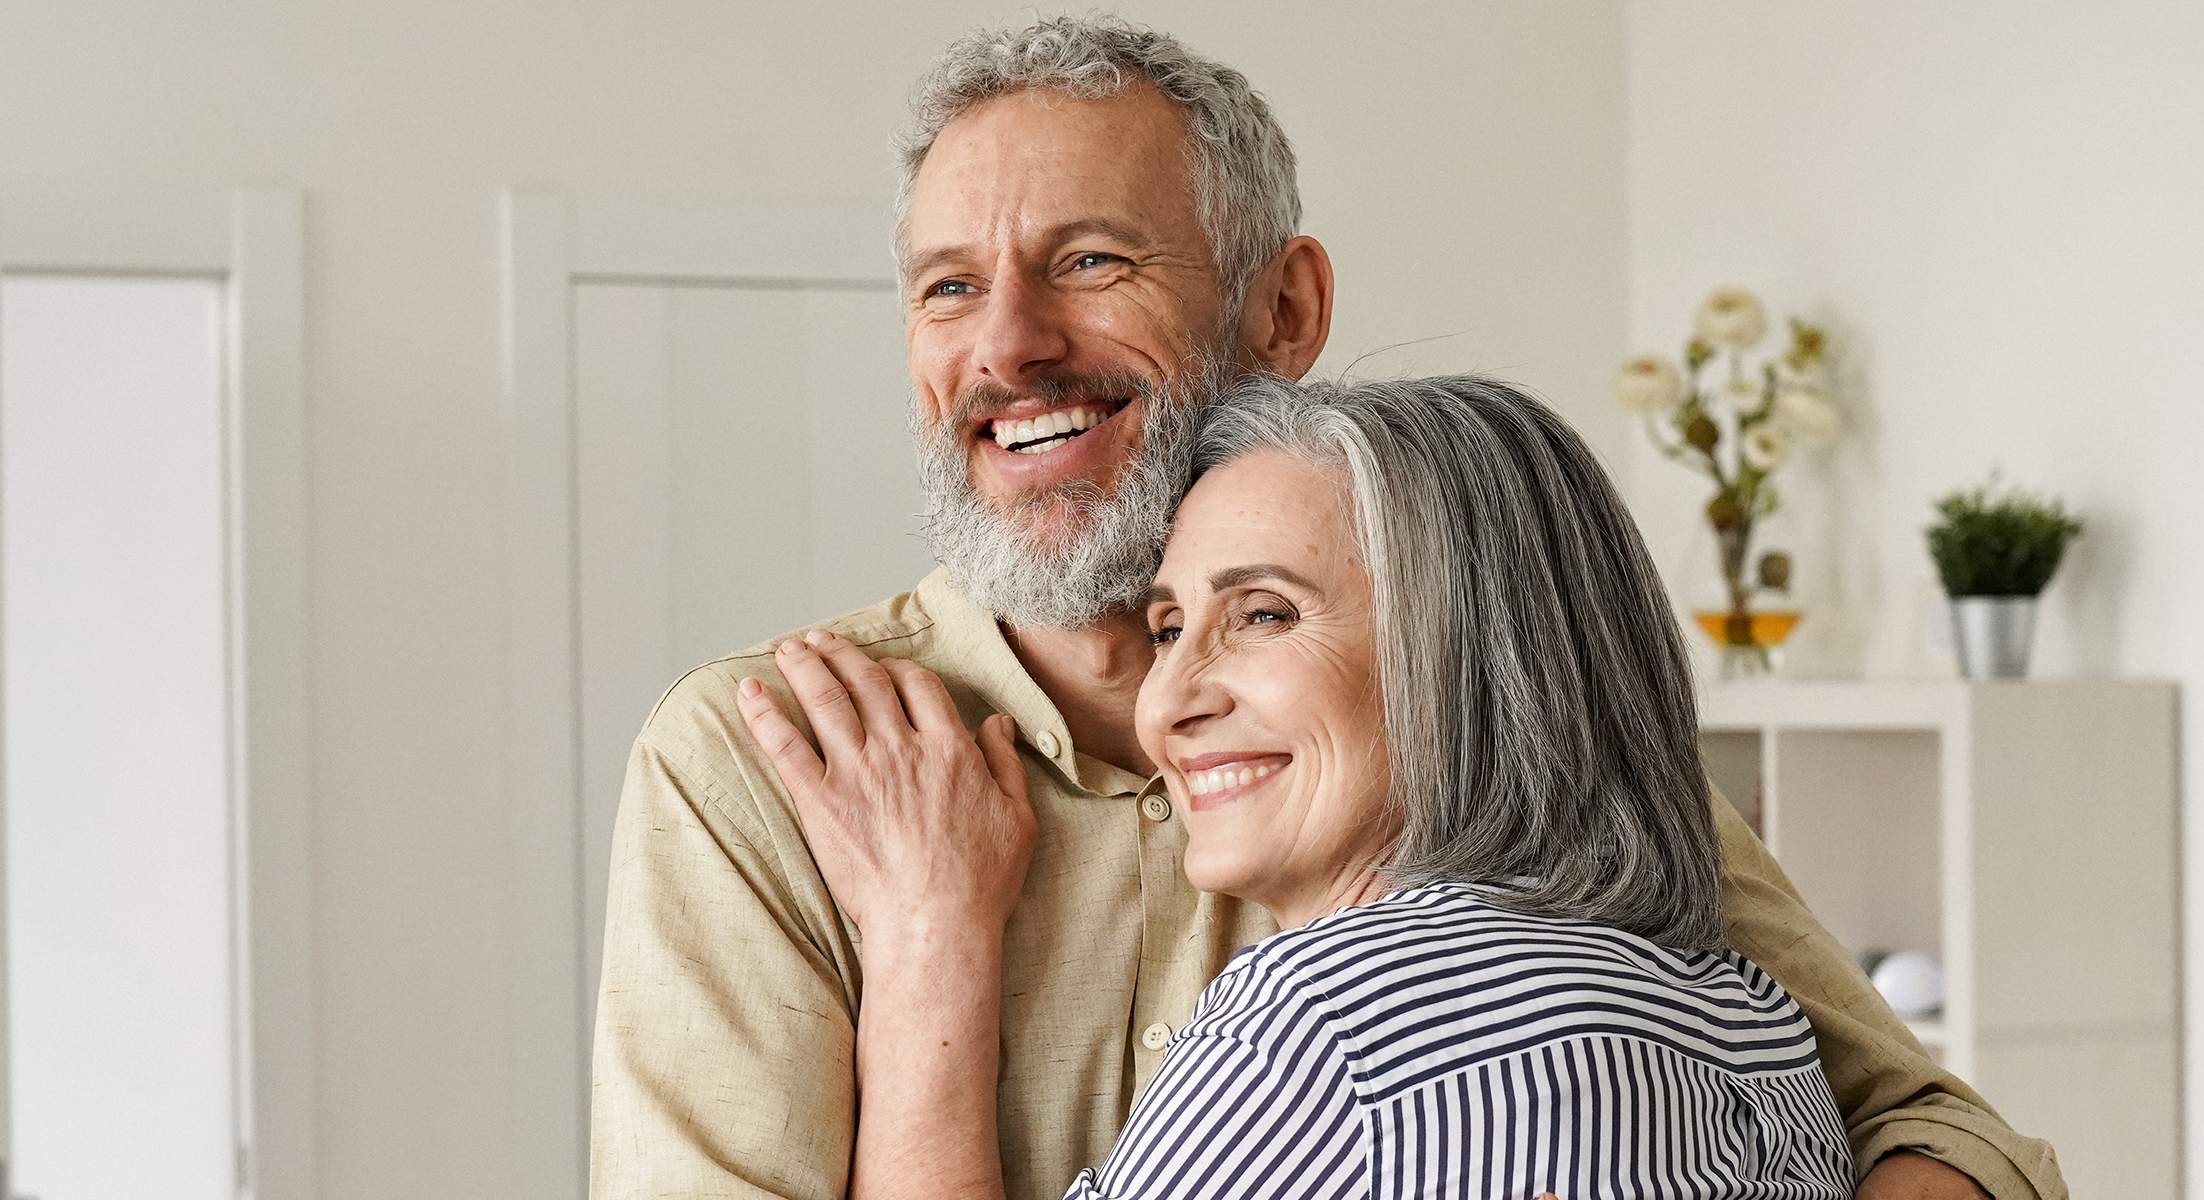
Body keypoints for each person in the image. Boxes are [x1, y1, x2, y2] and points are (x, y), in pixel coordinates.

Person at [588, 15, 2064, 1200]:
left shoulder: (1487, 714)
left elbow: (1943, 1133)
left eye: (1089, 262)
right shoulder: (761, 763)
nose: (1010, 347)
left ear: (1283, 310)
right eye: (947, 289)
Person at [735, 374, 1861, 1198]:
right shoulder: (1755, 1025)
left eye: (1263, 614)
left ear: (1468, 653)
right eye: (1169, 628)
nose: (1166, 705)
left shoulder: (1329, 1020)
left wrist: (930, 943)